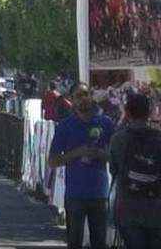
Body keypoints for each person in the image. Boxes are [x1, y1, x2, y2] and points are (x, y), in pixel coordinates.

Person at [48, 88, 115, 249]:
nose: (84, 98)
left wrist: (99, 153)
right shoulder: (65, 126)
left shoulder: (105, 123)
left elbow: (114, 156)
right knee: (75, 241)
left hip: (99, 192)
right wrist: (77, 153)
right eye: (79, 95)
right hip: (75, 193)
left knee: (99, 242)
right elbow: (53, 161)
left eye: (87, 94)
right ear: (73, 102)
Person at [109, 93, 161, 249]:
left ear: (128, 113)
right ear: (149, 112)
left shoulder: (118, 139)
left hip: (128, 208)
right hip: (156, 208)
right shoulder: (159, 139)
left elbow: (114, 170)